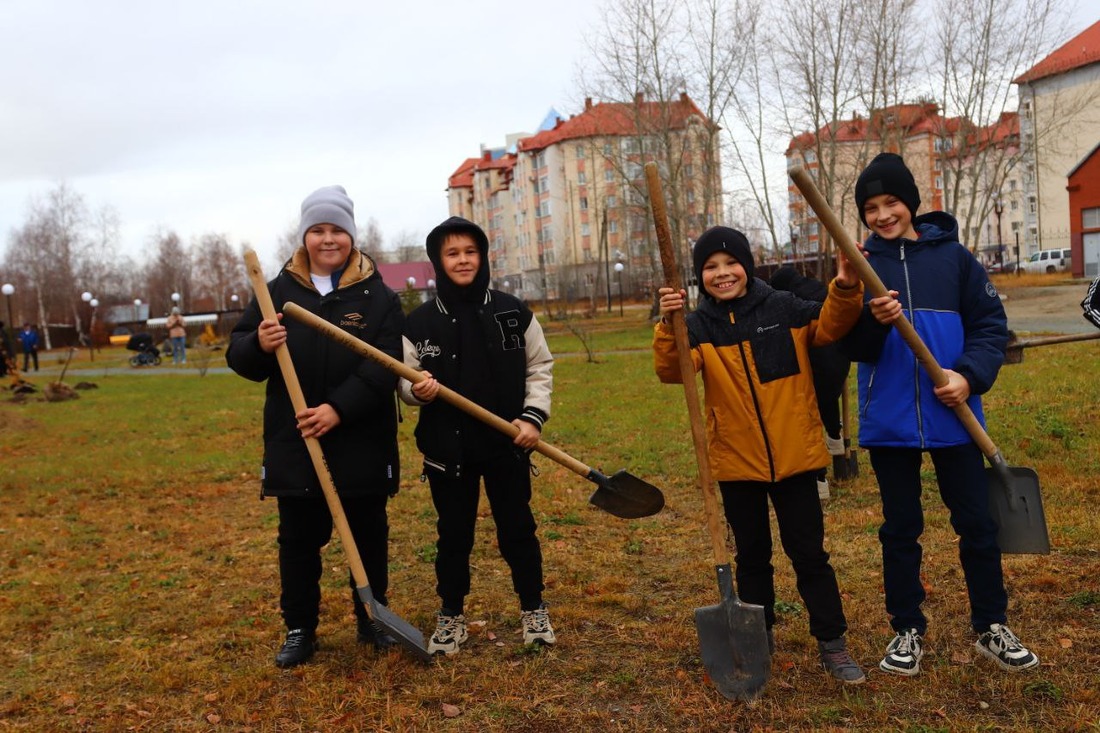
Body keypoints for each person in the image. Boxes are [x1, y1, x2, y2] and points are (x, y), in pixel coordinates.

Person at [843, 152, 1039, 676]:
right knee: (900, 528)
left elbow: (990, 327)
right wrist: (876, 321)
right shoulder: (862, 264)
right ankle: (906, 629)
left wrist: (967, 377)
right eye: (871, 207)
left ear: (910, 202)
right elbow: (850, 344)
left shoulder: (955, 260)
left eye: (891, 203)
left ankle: (990, 625)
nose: (883, 215)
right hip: (889, 420)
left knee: (976, 522)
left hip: (953, 414)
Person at [654, 226, 867, 684]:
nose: (722, 273)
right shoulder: (696, 326)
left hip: (795, 460)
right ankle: (759, 638)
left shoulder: (784, 308)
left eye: (730, 263)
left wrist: (846, 285)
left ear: (747, 266)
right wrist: (668, 326)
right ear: (699, 277)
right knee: (752, 558)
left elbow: (832, 323)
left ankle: (832, 642)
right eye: (710, 267)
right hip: (737, 463)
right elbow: (674, 373)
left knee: (809, 554)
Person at [226, 185, 404, 668]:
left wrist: (337, 409)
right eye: (318, 230)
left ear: (352, 236)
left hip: (360, 437)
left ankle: (372, 618)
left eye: (337, 230)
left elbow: (386, 365)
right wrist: (259, 343)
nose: (329, 240)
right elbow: (238, 355)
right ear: (305, 235)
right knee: (299, 540)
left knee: (368, 533)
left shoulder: (379, 296)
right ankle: (300, 627)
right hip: (296, 439)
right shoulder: (276, 291)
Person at [398, 216, 555, 656]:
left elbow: (539, 368)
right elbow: (403, 382)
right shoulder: (420, 323)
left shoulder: (513, 311)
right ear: (438, 261)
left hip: (507, 445)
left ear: (483, 256)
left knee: (518, 531)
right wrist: (418, 391)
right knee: (453, 536)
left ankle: (533, 609)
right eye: (453, 253)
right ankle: (451, 617)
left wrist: (531, 418)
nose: (463, 260)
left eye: (470, 251)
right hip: (449, 452)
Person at [769, 266, 851, 500]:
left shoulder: (789, 304)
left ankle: (820, 481)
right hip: (840, 365)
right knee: (828, 399)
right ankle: (837, 443)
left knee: (809, 420)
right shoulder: (822, 289)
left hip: (813, 369)